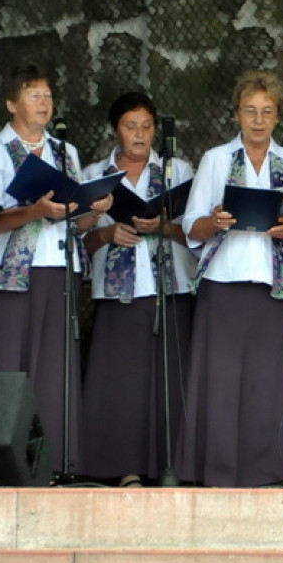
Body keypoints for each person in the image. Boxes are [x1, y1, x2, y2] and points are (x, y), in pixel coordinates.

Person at [0, 61, 112, 474]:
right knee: (12, 365)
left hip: (58, 269)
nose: (44, 103)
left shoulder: (64, 151)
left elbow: (75, 220)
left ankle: (56, 462)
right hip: (14, 273)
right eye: (34, 95)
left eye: (48, 95)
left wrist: (94, 209)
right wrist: (33, 210)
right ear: (12, 103)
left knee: (55, 369)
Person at [175, 70, 283, 487]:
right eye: (250, 110)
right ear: (237, 114)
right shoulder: (216, 159)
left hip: (271, 285)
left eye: (267, 111)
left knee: (268, 381)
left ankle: (267, 470)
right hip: (223, 284)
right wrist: (214, 222)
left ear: (278, 118)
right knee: (222, 380)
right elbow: (191, 226)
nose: (258, 119)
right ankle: (218, 470)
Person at [79, 91, 196, 487]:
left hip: (171, 285)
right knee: (122, 383)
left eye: (147, 126)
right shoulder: (95, 174)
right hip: (118, 290)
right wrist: (108, 232)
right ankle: (124, 467)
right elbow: (78, 242)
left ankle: (172, 467)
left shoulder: (177, 172)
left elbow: (197, 234)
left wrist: (162, 227)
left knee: (170, 380)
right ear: (116, 129)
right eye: (131, 126)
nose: (140, 133)